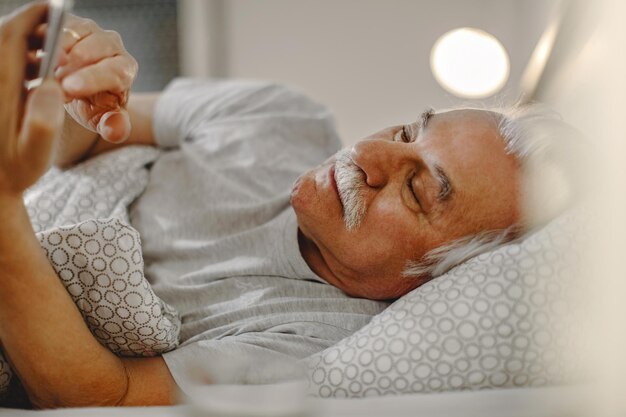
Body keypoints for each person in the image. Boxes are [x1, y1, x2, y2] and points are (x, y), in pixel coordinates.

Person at [0, 2, 576, 409]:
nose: (366, 155)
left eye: (417, 188)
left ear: (441, 275)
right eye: (406, 132)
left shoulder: (313, 341)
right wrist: (67, 88)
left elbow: (100, 394)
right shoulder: (277, 115)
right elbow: (95, 136)